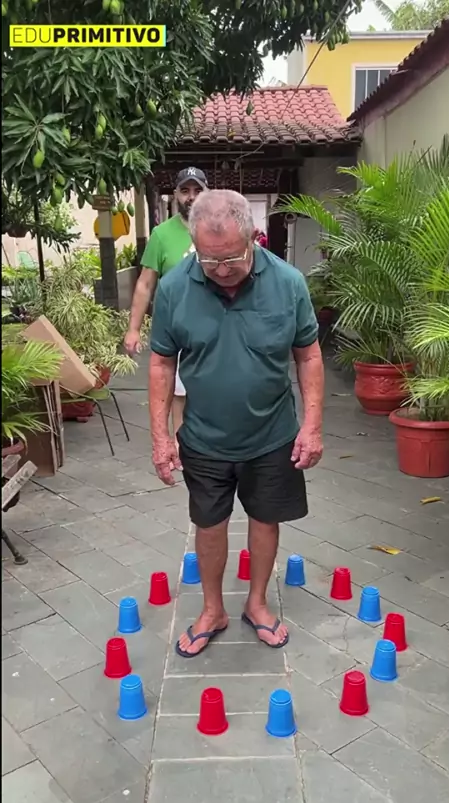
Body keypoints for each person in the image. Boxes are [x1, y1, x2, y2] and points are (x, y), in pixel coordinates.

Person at [149, 190, 324, 657]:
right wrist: (161, 437)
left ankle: (257, 603)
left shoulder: (288, 283)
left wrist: (311, 425)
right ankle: (213, 610)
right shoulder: (174, 288)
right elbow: (162, 363)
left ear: (253, 238)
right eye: (209, 260)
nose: (222, 269)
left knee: (266, 519)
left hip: (272, 434)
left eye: (231, 258)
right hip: (204, 436)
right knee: (209, 524)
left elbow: (308, 355)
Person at [124, 166, 208, 436]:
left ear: (207, 193)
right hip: (177, 329)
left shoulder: (218, 228)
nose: (191, 197)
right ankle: (182, 445)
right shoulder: (161, 235)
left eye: (197, 190)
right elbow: (145, 284)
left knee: (215, 389)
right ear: (175, 194)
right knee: (179, 392)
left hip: (215, 326)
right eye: (185, 190)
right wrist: (133, 329)